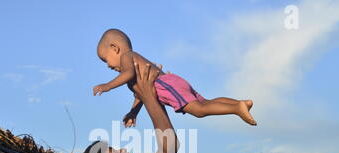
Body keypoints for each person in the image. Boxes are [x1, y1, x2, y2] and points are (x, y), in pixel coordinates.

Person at [93, 28, 256, 128]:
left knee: (199, 111)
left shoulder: (127, 57)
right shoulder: (134, 69)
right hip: (173, 82)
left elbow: (127, 74)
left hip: (166, 85)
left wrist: (107, 85)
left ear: (115, 48)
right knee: (205, 102)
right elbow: (140, 95)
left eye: (105, 60)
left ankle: (236, 109)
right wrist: (133, 112)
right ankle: (239, 103)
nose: (107, 66)